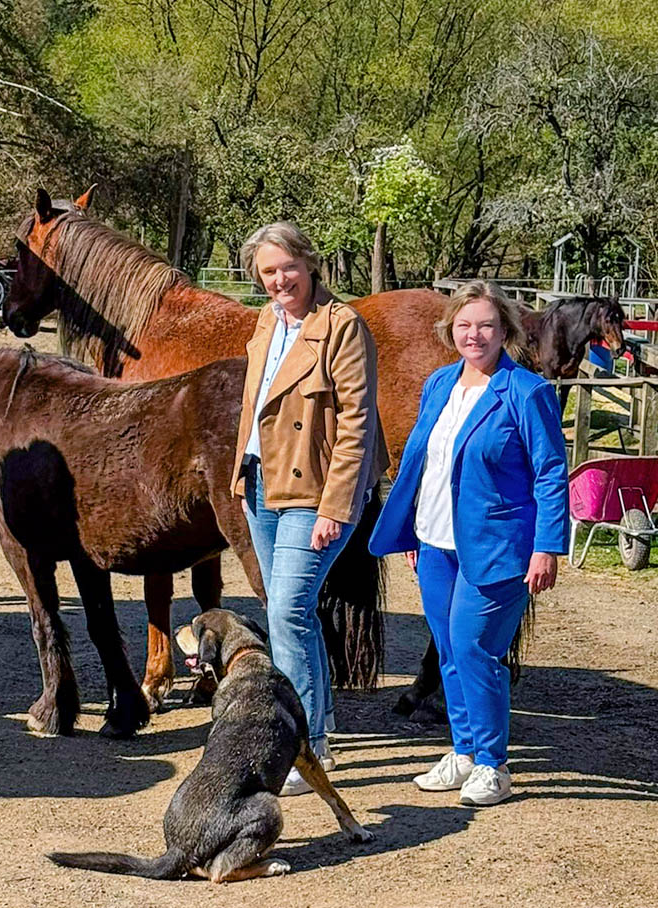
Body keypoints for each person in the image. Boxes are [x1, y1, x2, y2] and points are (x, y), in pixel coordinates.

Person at [370, 279, 569, 806]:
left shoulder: (527, 392)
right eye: (464, 325)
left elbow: (551, 473)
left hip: (499, 546)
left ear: (505, 331)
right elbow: (424, 462)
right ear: (450, 330)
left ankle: (492, 764)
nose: (474, 335)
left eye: (485, 325)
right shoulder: (439, 384)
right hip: (435, 543)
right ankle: (463, 752)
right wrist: (413, 526)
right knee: (449, 651)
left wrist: (547, 546)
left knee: (474, 648)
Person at [230, 222, 389, 796]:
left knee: (288, 611)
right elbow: (254, 405)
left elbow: (357, 423)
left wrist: (336, 505)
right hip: (262, 480)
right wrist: (239, 471)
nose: (279, 280)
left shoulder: (342, 326)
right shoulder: (266, 321)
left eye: (287, 268)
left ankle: (303, 744)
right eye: (268, 272)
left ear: (309, 264)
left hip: (316, 488)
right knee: (290, 611)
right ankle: (317, 728)